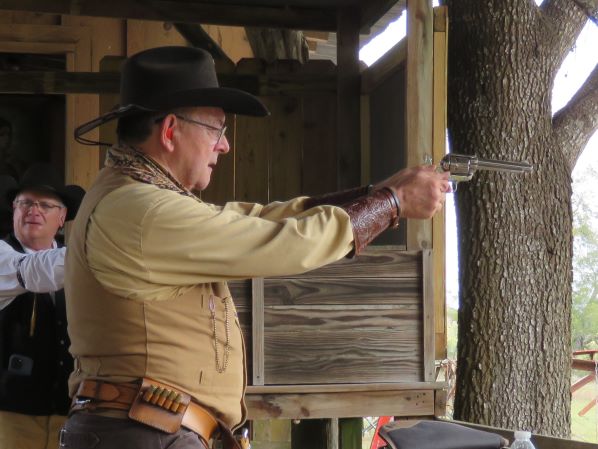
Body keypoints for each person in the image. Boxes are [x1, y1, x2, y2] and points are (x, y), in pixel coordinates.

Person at [62, 46, 449, 449]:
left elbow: (263, 219)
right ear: (171, 130)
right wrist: (392, 203)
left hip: (149, 432)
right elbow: (286, 242)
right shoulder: (142, 210)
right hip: (147, 434)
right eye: (215, 129)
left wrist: (377, 193)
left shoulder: (136, 198)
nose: (225, 145)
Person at [0, 163, 84, 449]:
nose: (33, 211)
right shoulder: (3, 255)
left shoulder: (73, 260)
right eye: (25, 203)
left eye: (45, 205)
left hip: (67, 412)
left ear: (62, 217)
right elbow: (36, 270)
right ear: (14, 210)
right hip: (9, 414)